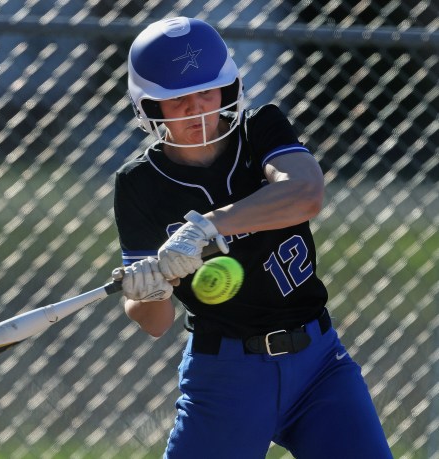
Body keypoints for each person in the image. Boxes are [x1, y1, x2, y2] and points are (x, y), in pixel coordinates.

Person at [114, 16, 392, 458]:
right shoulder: (138, 184)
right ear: (149, 108)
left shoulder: (260, 130)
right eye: (178, 99)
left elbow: (305, 194)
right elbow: (155, 323)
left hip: (319, 364)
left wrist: (206, 226)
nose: (198, 107)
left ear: (229, 89)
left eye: (207, 90)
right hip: (226, 376)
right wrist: (149, 290)